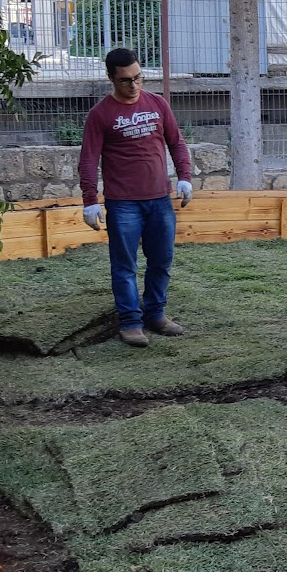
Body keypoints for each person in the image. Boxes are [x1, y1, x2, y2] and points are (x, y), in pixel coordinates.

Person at [78, 47, 194, 348]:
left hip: (159, 199)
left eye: (138, 77)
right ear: (111, 79)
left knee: (161, 260)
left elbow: (176, 143)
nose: (134, 85)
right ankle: (130, 322)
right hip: (123, 203)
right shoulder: (101, 114)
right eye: (126, 80)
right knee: (125, 265)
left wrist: (184, 177)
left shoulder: (158, 104)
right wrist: (89, 200)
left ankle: (155, 314)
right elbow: (89, 159)